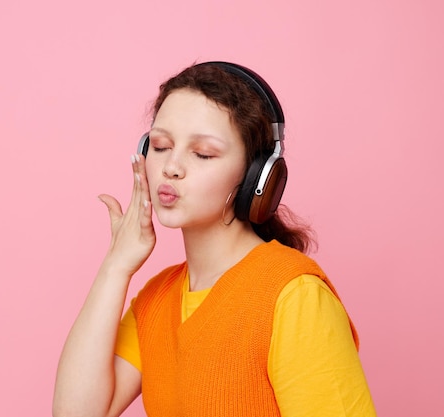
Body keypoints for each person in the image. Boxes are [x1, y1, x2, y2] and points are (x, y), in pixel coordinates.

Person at [53, 61, 376, 417]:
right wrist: (116, 267)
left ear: (257, 178)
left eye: (202, 153)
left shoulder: (295, 296)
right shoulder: (156, 301)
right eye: (160, 146)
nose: (171, 167)